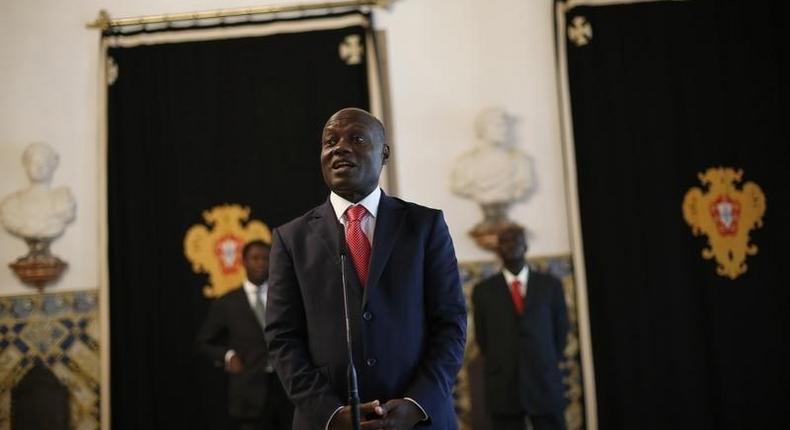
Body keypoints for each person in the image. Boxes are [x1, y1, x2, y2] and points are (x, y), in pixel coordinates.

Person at [264, 108, 467, 430]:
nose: (339, 148)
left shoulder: (424, 226)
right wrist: (329, 413)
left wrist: (417, 404)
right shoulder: (291, 239)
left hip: (419, 420)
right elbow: (282, 338)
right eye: (330, 141)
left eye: (356, 139)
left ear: (383, 153)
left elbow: (451, 323)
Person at [472, 225, 568, 430]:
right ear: (498, 249)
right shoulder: (483, 291)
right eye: (505, 241)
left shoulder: (550, 286)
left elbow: (561, 333)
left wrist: (544, 360)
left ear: (526, 246)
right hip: (504, 385)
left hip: (544, 381)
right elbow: (483, 339)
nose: (511, 245)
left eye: (516, 240)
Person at [197, 240, 293, 430]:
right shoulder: (227, 303)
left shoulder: (285, 297)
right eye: (255, 258)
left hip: (287, 390)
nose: (260, 263)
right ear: (244, 261)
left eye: (266, 258)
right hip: (249, 395)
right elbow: (204, 342)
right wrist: (228, 355)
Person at [0, 142, 76, 240]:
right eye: (34, 162)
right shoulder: (11, 204)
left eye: (44, 162)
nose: (39, 167)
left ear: (52, 166)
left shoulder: (63, 200)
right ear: (26, 166)